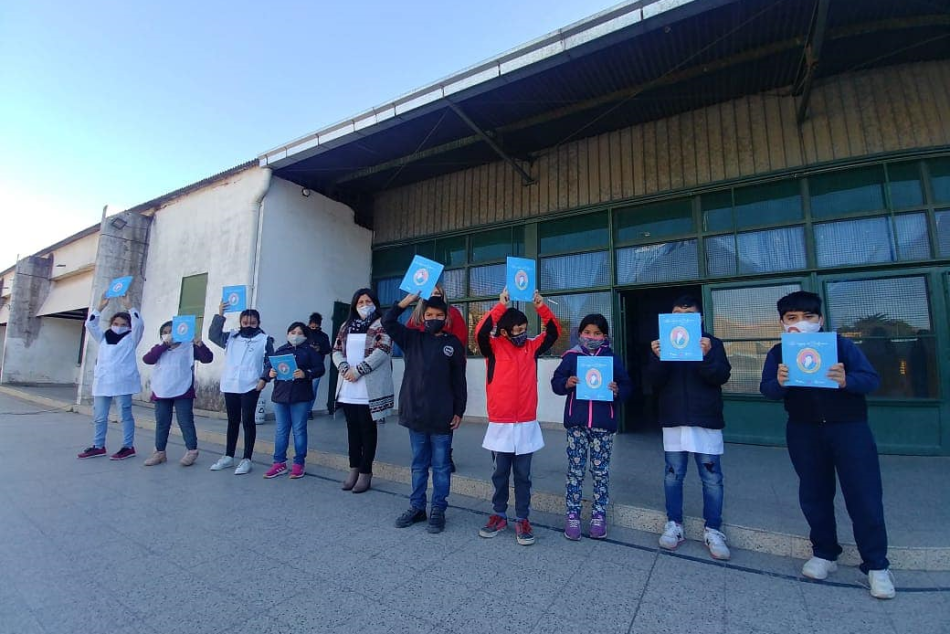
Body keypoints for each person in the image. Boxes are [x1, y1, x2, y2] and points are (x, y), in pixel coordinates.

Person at [760, 290, 895, 600]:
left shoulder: (842, 346)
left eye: (808, 317)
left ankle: (876, 565)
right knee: (814, 493)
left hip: (849, 429)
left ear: (819, 320)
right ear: (782, 323)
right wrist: (779, 383)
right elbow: (766, 389)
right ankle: (824, 553)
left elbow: (871, 380)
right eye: (792, 318)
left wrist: (847, 380)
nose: (801, 323)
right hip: (804, 430)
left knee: (864, 495)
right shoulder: (778, 353)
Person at [647, 295, 732, 560]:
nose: (682, 318)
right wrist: (659, 358)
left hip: (705, 420)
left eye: (689, 314)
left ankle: (714, 529)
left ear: (699, 319)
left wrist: (705, 356)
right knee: (673, 475)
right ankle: (674, 524)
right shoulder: (661, 345)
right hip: (673, 419)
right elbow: (653, 382)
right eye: (676, 313)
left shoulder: (712, 344)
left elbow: (721, 376)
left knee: (712, 478)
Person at [476, 286, 560, 545]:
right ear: (504, 332)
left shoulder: (532, 347)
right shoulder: (492, 347)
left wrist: (540, 306)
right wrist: (500, 305)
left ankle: (522, 518)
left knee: (523, 475)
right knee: (499, 473)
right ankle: (499, 515)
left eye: (525, 329)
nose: (523, 334)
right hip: (500, 424)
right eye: (518, 331)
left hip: (525, 424)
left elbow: (554, 332)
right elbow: (479, 331)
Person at [385, 293, 467, 534]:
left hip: (442, 416)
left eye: (438, 315)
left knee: (441, 467)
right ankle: (417, 507)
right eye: (429, 315)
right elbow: (388, 322)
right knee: (419, 464)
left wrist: (459, 410)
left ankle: (438, 509)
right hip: (415, 413)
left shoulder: (453, 344)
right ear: (422, 317)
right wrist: (406, 301)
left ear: (446, 318)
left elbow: (458, 382)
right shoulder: (412, 338)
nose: (433, 319)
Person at [551, 313, 633, 540]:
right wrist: (566, 383)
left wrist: (618, 390)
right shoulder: (571, 357)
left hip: (602, 426)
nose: (591, 337)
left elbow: (627, 386)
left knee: (600, 473)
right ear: (580, 334)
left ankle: (598, 516)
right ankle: (573, 516)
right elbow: (556, 383)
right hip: (576, 425)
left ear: (605, 336)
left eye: (597, 333)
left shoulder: (612, 359)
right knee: (575, 472)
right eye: (587, 332)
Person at [332, 288, 394, 494]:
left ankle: (366, 472)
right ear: (354, 305)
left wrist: (358, 370)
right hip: (348, 386)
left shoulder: (382, 324)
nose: (364, 304)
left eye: (368, 301)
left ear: (375, 303)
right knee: (352, 431)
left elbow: (383, 350)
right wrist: (344, 369)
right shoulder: (346, 325)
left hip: (369, 387)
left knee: (368, 431)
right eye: (360, 302)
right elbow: (336, 350)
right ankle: (354, 469)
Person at [407, 283, 467, 473]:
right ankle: (425, 453)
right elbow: (407, 337)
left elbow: (461, 338)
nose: (435, 296)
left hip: (447, 369)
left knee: (446, 413)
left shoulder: (453, 313)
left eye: (438, 293)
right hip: (421, 373)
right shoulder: (417, 314)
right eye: (431, 293)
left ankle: (445, 453)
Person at [77, 293, 145, 460]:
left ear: (128, 326)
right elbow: (90, 324)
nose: (119, 326)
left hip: (123, 382)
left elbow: (139, 323)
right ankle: (98, 446)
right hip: (103, 382)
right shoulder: (104, 337)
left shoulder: (131, 337)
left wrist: (129, 306)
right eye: (115, 323)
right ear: (111, 324)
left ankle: (128, 447)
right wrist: (100, 306)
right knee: (99, 416)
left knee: (125, 415)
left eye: (123, 324)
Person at [208, 304, 274, 475]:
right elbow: (213, 335)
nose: (248, 325)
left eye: (252, 323)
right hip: (231, 384)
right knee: (232, 421)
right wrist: (220, 314)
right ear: (240, 322)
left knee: (248, 421)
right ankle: (228, 456)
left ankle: (246, 459)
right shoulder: (231, 337)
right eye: (245, 322)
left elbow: (270, 361)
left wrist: (264, 378)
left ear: (258, 323)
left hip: (251, 385)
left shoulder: (265, 339)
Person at [141, 321, 214, 466]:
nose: (169, 334)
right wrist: (164, 345)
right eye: (165, 331)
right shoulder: (159, 348)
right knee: (162, 422)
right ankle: (159, 452)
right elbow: (147, 359)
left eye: (171, 331)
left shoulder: (189, 348)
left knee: (185, 421)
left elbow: (207, 358)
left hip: (182, 390)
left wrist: (199, 344)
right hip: (162, 391)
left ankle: (192, 451)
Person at [262, 322, 322, 479]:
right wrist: (270, 373)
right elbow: (269, 368)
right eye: (293, 332)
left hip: (300, 396)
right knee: (281, 430)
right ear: (288, 333)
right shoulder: (280, 350)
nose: (296, 335)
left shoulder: (309, 351)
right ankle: (279, 463)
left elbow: (320, 369)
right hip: (280, 395)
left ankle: (299, 463)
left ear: (305, 336)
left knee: (299, 430)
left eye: (300, 333)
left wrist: (306, 373)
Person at [306, 312, 330, 418]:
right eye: (312, 325)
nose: (314, 327)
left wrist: (319, 349)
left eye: (316, 326)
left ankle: (308, 411)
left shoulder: (323, 336)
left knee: (312, 390)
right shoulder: (304, 332)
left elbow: (328, 349)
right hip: (303, 365)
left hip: (316, 366)